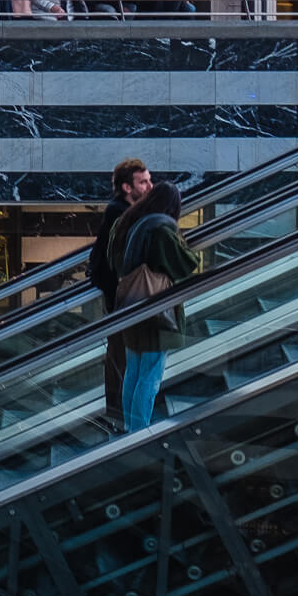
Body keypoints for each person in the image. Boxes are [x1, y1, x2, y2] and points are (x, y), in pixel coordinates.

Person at [111, 177, 199, 431]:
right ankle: (139, 432)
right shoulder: (161, 229)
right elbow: (184, 264)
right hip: (154, 311)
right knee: (150, 376)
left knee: (134, 372)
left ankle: (130, 427)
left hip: (132, 306)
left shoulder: (134, 223)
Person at [89, 156, 150, 427]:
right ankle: (118, 412)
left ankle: (118, 411)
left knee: (121, 353)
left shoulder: (121, 210)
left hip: (119, 292)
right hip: (121, 294)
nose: (150, 186)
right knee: (121, 354)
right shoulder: (120, 212)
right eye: (143, 182)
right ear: (127, 187)